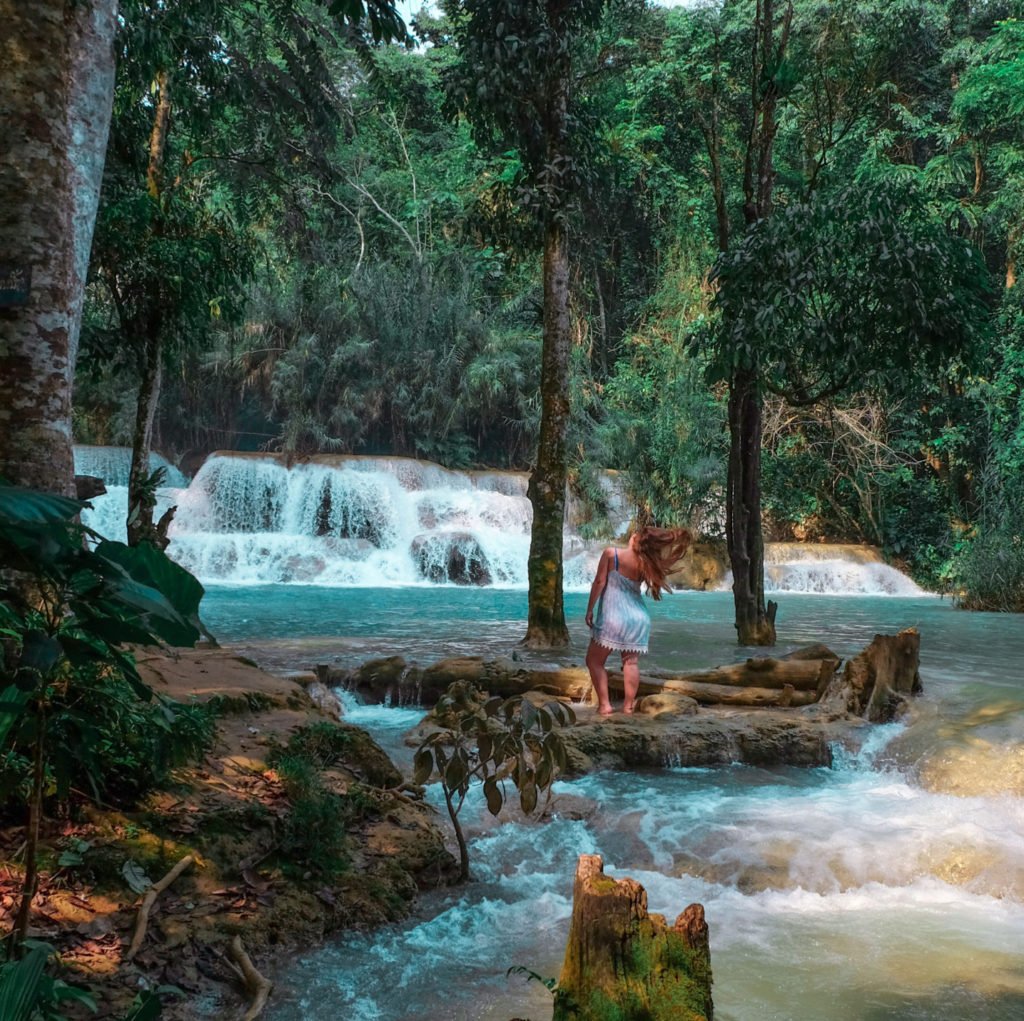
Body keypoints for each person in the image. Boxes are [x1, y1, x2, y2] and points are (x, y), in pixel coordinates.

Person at [584, 526, 691, 715]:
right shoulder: (646, 563)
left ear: (636, 539)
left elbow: (599, 582)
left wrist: (590, 609)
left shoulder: (611, 554)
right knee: (630, 663)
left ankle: (605, 705)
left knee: (594, 661)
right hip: (638, 618)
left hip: (613, 617)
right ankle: (628, 706)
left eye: (636, 533)